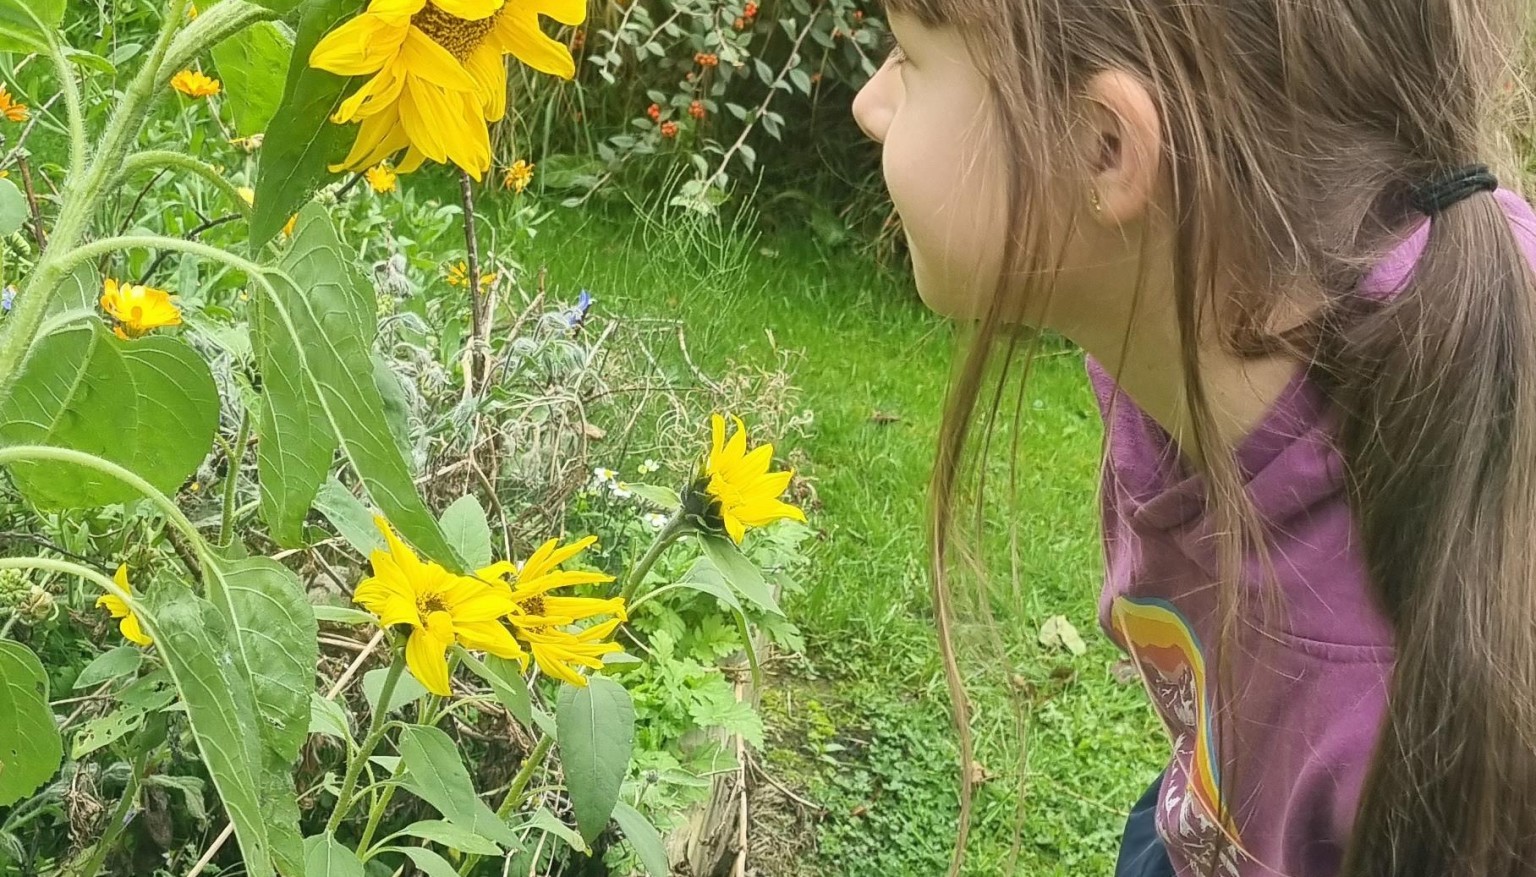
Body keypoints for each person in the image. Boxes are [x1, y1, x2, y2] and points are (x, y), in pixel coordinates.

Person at [851, 1, 1536, 875]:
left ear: (1104, 146)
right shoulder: (1214, 322)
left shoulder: (1388, 713)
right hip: (1216, 798)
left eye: (909, 59)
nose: (871, 104)